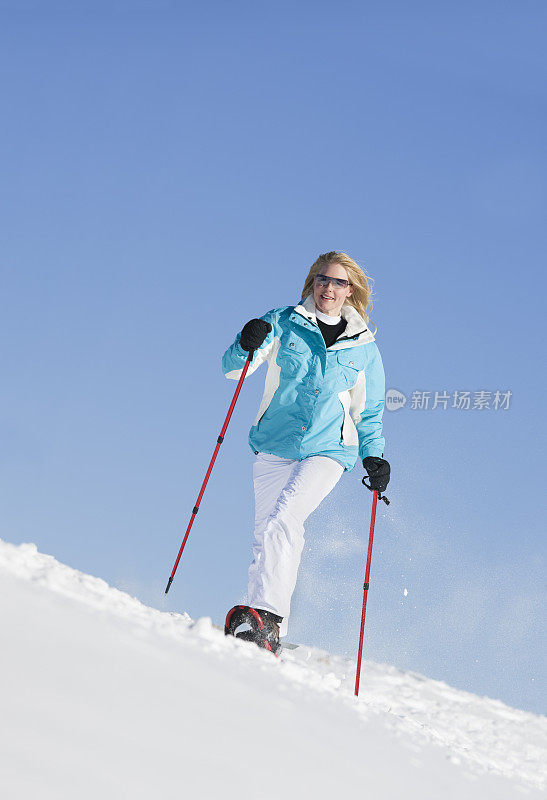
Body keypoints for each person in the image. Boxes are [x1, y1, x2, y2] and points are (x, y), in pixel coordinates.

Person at [222, 251, 390, 654]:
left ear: (352, 290)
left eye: (338, 282)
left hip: (329, 447)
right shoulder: (282, 320)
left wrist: (374, 455)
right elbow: (235, 369)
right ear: (312, 282)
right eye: (322, 279)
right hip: (276, 442)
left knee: (286, 517)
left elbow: (370, 411)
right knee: (265, 534)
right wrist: (244, 342)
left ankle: (269, 615)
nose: (328, 288)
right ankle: (263, 627)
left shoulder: (364, 346)